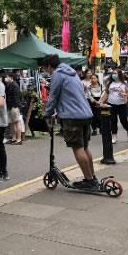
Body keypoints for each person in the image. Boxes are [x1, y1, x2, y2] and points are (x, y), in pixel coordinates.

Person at [42, 54, 96, 188]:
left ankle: (89, 180)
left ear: (49, 66)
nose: (46, 71)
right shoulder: (72, 73)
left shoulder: (57, 74)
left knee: (77, 148)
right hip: (85, 113)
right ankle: (92, 177)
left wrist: (47, 113)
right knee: (85, 147)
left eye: (45, 68)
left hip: (72, 116)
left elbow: (53, 96)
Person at [99, 67, 128, 144]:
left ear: (119, 74)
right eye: (113, 73)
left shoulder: (124, 83)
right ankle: (114, 136)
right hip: (111, 104)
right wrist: (102, 102)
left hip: (122, 104)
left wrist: (125, 95)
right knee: (113, 120)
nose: (114, 75)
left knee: (124, 121)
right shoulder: (109, 83)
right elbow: (106, 93)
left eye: (115, 73)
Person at [4, 72, 23, 145]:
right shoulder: (10, 85)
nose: (6, 78)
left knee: (16, 122)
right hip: (10, 106)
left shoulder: (14, 85)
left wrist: (16, 106)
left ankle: (19, 139)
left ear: (11, 77)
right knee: (11, 123)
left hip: (14, 106)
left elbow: (16, 97)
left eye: (7, 77)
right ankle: (14, 138)